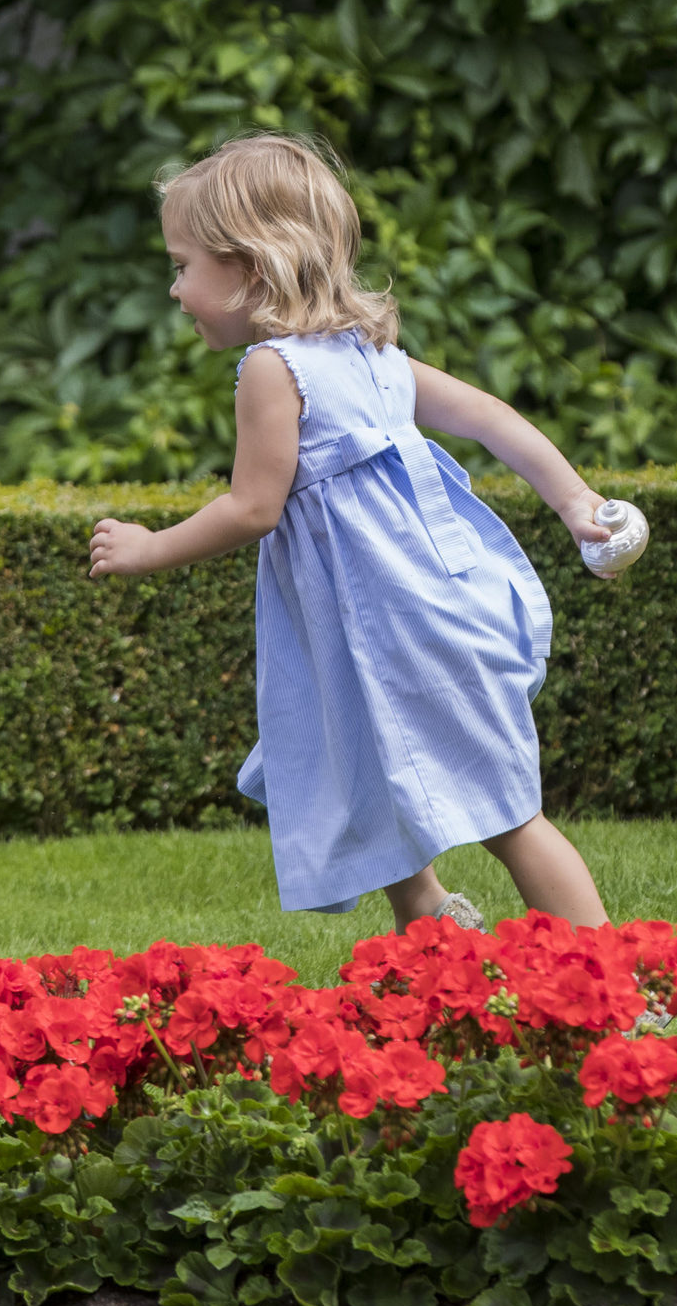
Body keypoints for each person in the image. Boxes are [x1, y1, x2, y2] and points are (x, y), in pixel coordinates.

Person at [89, 132, 614, 935]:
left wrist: (149, 546)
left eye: (183, 265)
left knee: (507, 812)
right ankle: (436, 924)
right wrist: (574, 501)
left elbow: (253, 506)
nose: (174, 288)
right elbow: (493, 418)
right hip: (388, 618)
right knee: (368, 764)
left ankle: (606, 972)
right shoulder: (371, 354)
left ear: (251, 267)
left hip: (395, 625)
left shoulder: (273, 368)